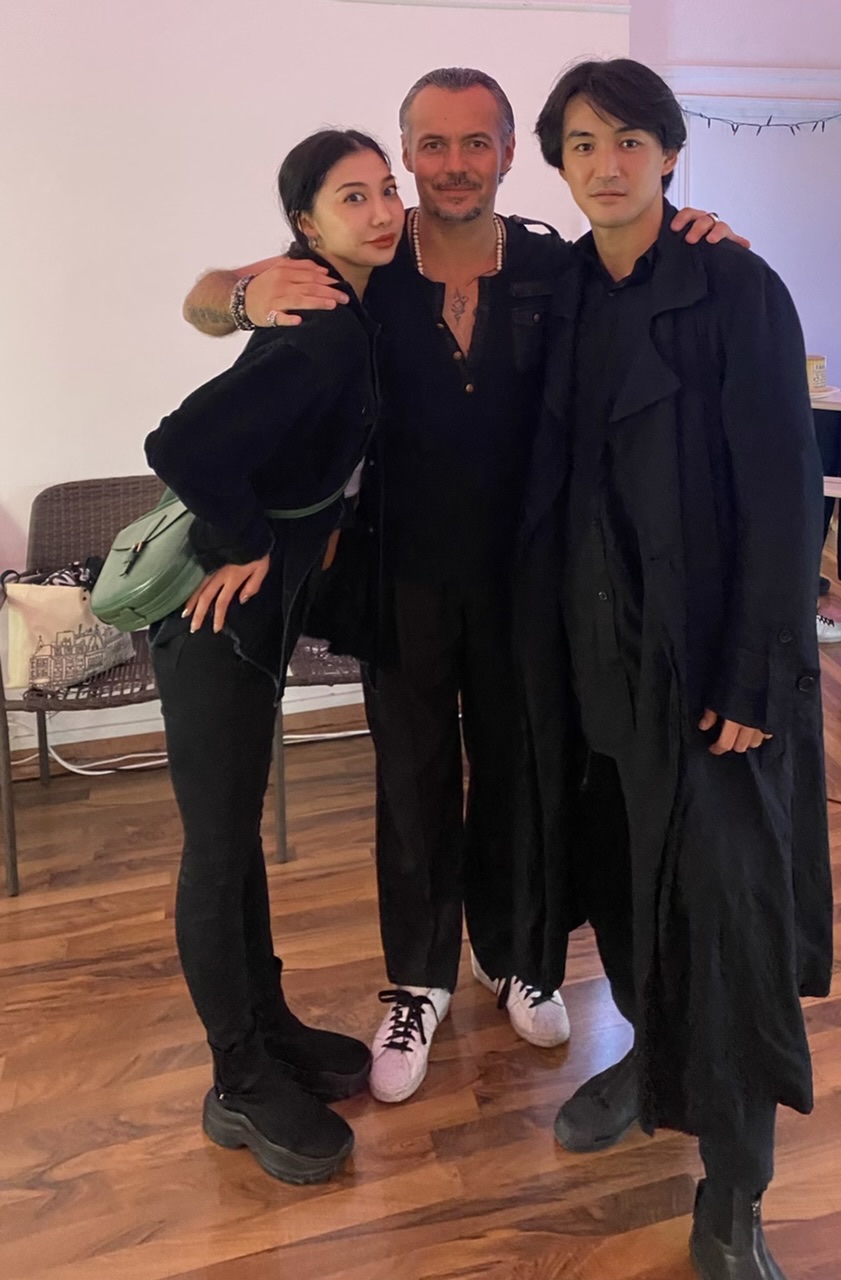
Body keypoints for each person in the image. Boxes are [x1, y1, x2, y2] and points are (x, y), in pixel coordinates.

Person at [180, 66, 747, 1106]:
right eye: (432, 144)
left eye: (475, 142)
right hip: (398, 576)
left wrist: (694, 232)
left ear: (508, 153)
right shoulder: (363, 263)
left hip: (532, 578)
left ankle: (520, 953)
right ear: (407, 155)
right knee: (413, 778)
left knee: (525, 767)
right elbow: (205, 295)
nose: (453, 164)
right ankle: (419, 979)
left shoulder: (553, 264)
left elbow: (640, 267)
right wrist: (244, 293)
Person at [513, 59, 833, 1280]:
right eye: (582, 144)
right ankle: (653, 1059)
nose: (607, 165)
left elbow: (785, 493)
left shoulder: (736, 286)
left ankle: (736, 1189)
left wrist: (756, 674)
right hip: (592, 667)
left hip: (707, 669)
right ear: (559, 161)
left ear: (670, 153)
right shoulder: (559, 291)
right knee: (624, 882)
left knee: (729, 921)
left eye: (630, 141)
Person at [148, 128, 405, 1183]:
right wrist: (248, 540)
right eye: (354, 196)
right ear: (307, 223)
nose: (382, 210)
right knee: (217, 848)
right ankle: (237, 1080)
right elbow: (180, 443)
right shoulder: (321, 325)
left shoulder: (350, 303)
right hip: (213, 622)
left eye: (387, 189)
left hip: (257, 622)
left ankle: (269, 1022)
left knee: (239, 834)